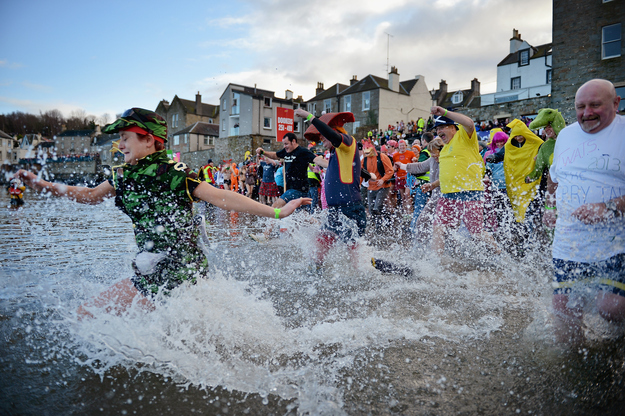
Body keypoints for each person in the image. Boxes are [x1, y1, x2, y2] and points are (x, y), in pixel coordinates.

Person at [14, 108, 310, 318]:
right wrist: (42, 184)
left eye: (127, 137)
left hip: (177, 269)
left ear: (150, 141)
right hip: (154, 268)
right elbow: (90, 196)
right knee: (95, 316)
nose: (120, 145)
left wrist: (277, 214)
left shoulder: (174, 173)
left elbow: (222, 197)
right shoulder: (122, 175)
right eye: (119, 139)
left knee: (92, 316)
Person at [546, 79, 625, 345]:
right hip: (569, 242)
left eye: (595, 105)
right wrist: (549, 205)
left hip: (615, 244)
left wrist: (609, 207)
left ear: (616, 103)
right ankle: (581, 374)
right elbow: (553, 177)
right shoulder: (566, 135)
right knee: (564, 315)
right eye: (580, 106)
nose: (587, 113)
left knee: (611, 309)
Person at [298, 109, 368, 267]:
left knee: (357, 261)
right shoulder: (338, 153)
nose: (321, 138)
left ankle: (388, 274)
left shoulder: (348, 142)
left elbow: (332, 135)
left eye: (323, 135)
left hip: (350, 210)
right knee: (318, 250)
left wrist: (309, 117)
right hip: (336, 211)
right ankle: (314, 280)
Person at [430, 107, 499, 256]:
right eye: (437, 129)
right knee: (439, 228)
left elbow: (469, 122)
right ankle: (437, 263)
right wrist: (433, 185)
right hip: (448, 195)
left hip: (469, 193)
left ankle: (499, 252)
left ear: (453, 128)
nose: (439, 132)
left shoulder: (464, 136)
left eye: (442, 128)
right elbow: (448, 174)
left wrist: (444, 112)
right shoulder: (445, 147)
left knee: (476, 232)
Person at [257, 132, 316, 209]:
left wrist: (328, 164)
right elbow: (275, 155)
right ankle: (318, 222)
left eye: (286, 144)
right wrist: (263, 152)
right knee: (303, 216)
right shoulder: (286, 152)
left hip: (298, 189)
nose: (284, 146)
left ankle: (270, 221)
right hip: (295, 190)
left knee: (275, 207)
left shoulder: (303, 152)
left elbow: (316, 159)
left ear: (293, 141)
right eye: (284, 144)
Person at [392, 139, 417, 215]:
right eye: (400, 146)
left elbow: (415, 162)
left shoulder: (411, 153)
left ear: (405, 146)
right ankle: (406, 212)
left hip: (408, 177)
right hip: (399, 177)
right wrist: (394, 169)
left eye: (403, 145)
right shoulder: (395, 155)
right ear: (398, 147)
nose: (402, 147)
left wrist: (415, 160)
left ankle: (410, 212)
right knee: (403, 196)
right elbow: (395, 167)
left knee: (407, 194)